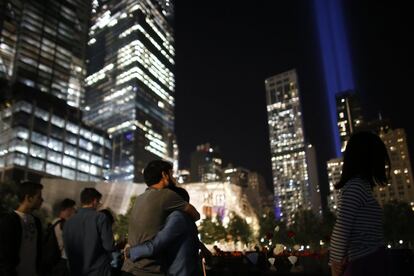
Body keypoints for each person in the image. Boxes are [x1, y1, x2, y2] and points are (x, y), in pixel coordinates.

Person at [121, 160, 200, 276]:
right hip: (148, 270)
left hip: (128, 267)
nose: (173, 178)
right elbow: (196, 215)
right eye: (171, 174)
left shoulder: (139, 199)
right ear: (164, 175)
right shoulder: (167, 195)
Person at [330, 131, 390, 276]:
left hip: (368, 260)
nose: (382, 162)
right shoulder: (355, 187)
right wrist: (335, 262)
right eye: (378, 156)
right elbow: (342, 228)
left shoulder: (360, 186)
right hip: (365, 263)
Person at [63, 188, 114, 276]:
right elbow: (109, 246)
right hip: (98, 271)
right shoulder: (100, 218)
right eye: (99, 202)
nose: (99, 205)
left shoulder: (68, 222)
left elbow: (67, 249)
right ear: (94, 201)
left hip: (75, 271)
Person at [0, 181, 43, 276]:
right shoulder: (9, 221)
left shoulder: (37, 222)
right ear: (28, 198)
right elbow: (4, 254)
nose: (42, 200)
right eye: (39, 197)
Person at [44, 198, 76, 276]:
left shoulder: (54, 222)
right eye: (74, 209)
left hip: (54, 260)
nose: (75, 213)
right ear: (68, 210)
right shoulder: (63, 224)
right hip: (62, 261)